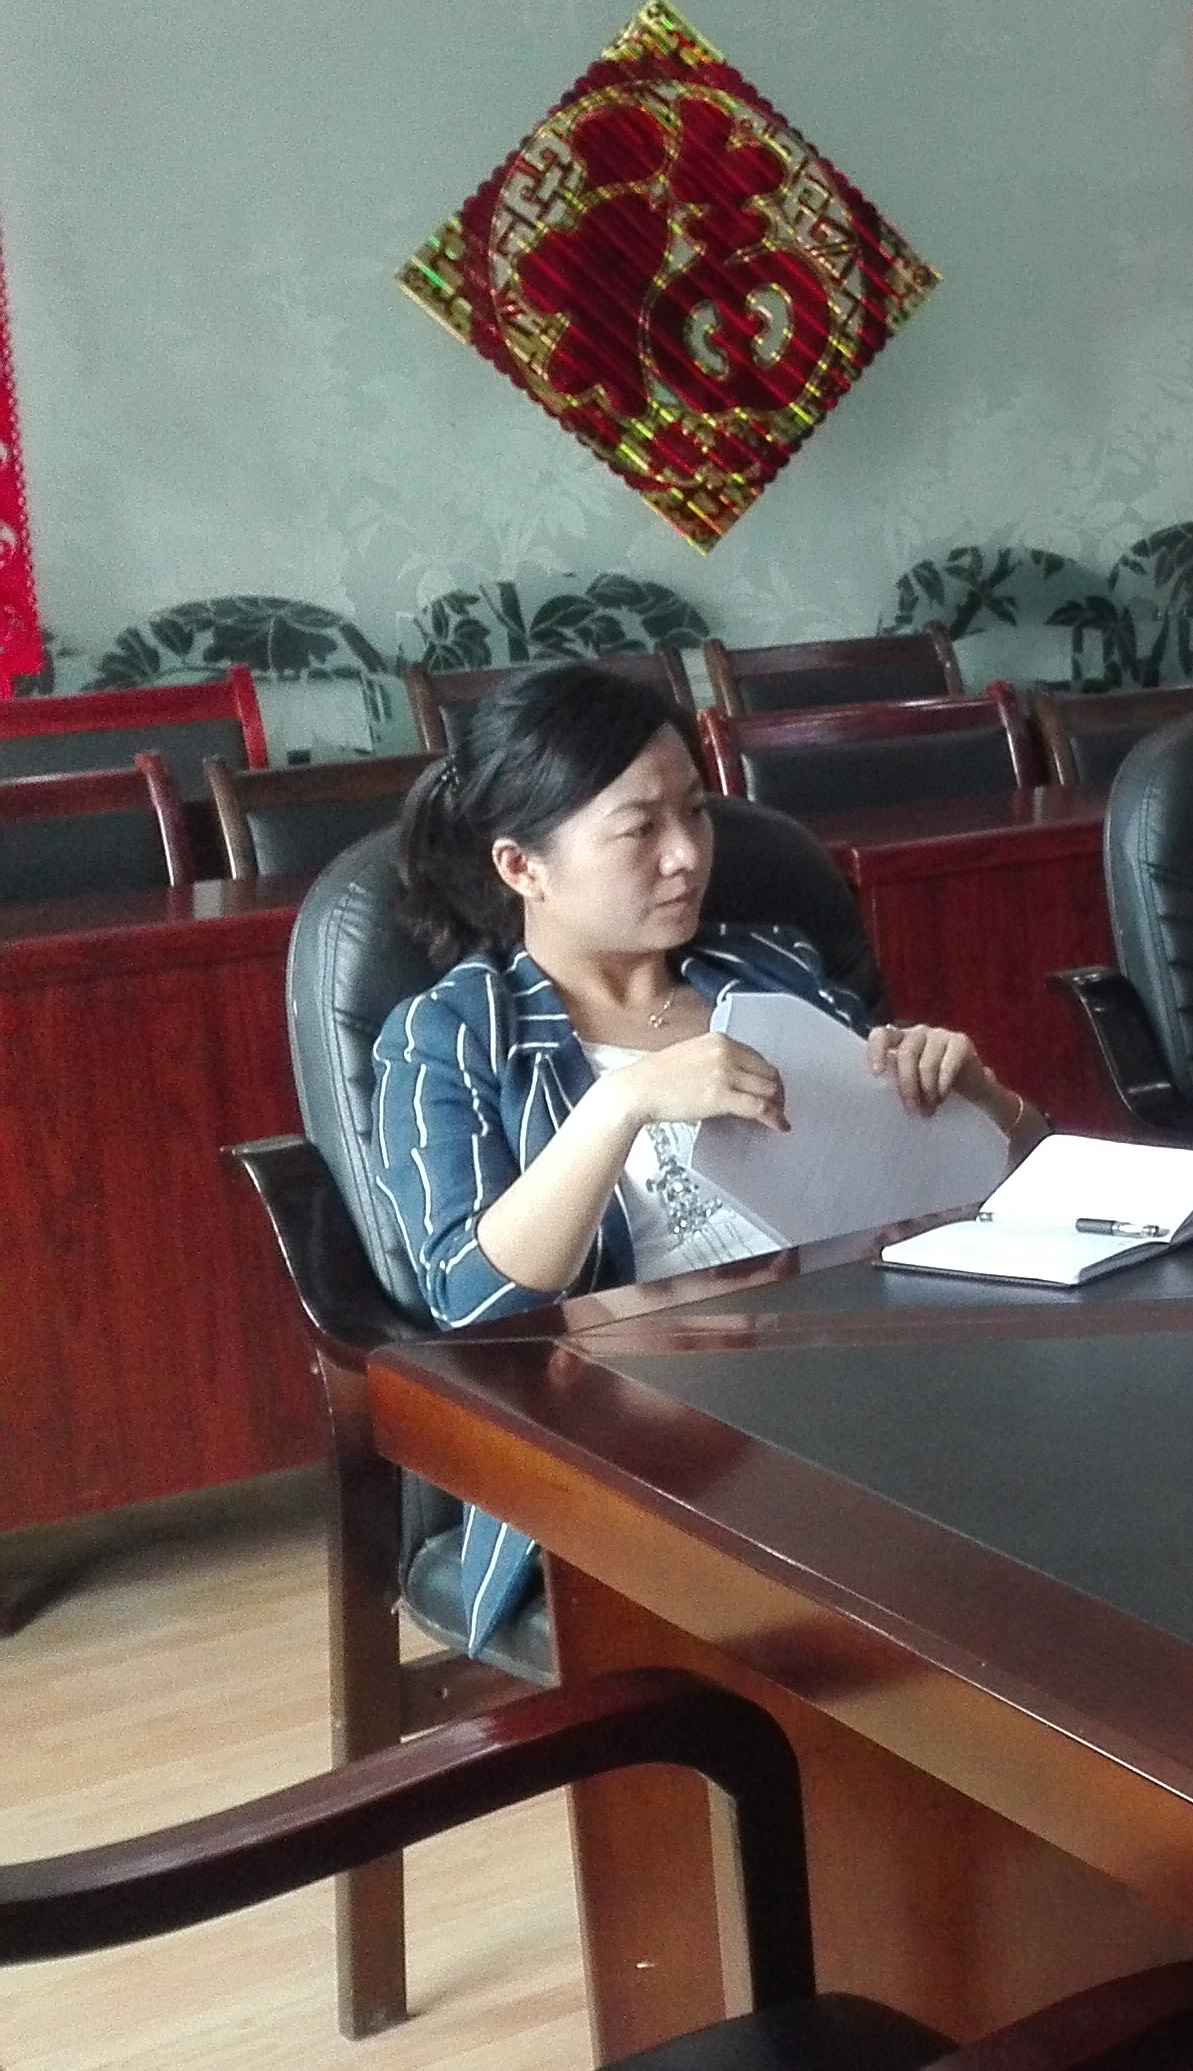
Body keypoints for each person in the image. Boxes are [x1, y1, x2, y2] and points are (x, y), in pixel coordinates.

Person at [372, 660, 1043, 1653]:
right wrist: (623, 1103)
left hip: (866, 1379)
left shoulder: (771, 969)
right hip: (631, 1441)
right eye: (639, 829)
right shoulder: (453, 1033)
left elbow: (994, 1179)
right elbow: (472, 1304)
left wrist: (976, 1095)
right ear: (522, 867)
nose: (686, 854)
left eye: (695, 812)